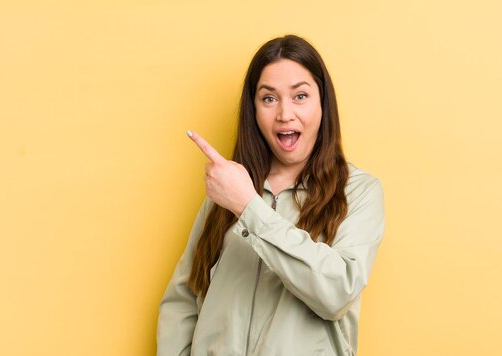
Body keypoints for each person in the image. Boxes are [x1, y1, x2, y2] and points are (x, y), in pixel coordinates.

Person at [157, 34, 385, 355]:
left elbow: (336, 292)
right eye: (269, 99)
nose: (284, 114)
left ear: (323, 105)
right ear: (253, 109)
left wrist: (249, 207)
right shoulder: (229, 185)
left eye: (300, 96)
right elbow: (184, 297)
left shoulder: (359, 192)